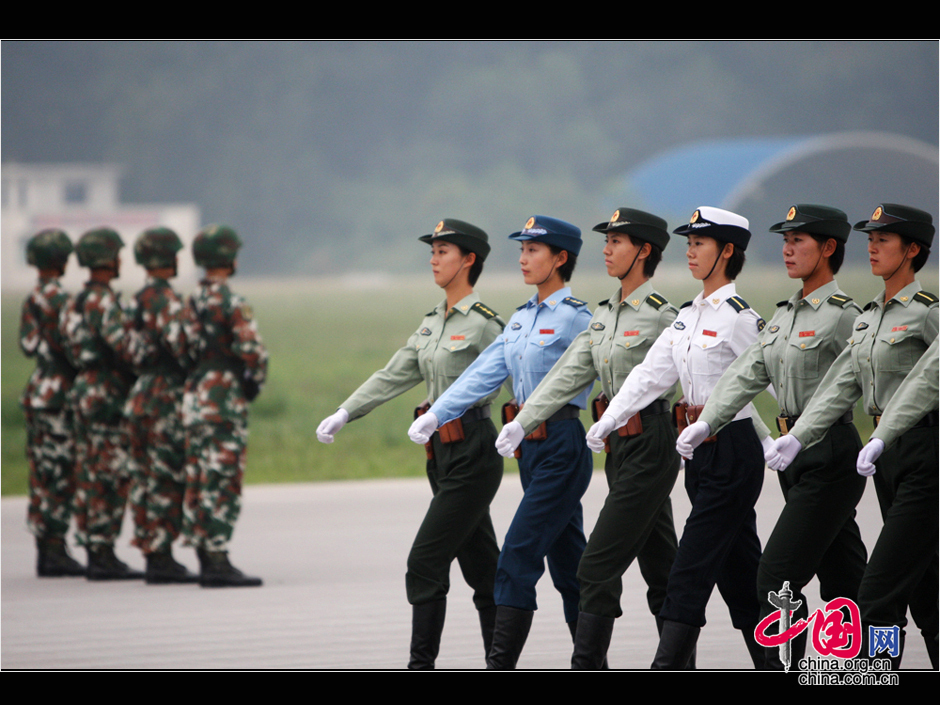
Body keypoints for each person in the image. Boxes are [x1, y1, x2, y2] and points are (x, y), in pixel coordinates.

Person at [677, 204, 868, 670]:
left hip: (830, 454)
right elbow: (744, 375)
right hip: (793, 458)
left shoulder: (846, 316)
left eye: (797, 240)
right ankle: (868, 669)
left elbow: (873, 379)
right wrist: (708, 421)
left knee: (776, 580)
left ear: (828, 248)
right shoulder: (783, 317)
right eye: (784, 240)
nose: (786, 249)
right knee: (849, 580)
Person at [491, 207, 682, 669]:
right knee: (662, 569)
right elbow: (566, 374)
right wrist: (522, 419)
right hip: (619, 448)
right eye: (606, 241)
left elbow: (709, 379)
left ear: (644, 251)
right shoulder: (602, 316)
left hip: (652, 440)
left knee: (594, 567)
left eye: (616, 241)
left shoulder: (664, 316)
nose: (606, 249)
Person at [586, 206, 773, 669]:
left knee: (686, 575)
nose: (689, 252)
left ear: (727, 251)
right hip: (699, 457)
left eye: (700, 244)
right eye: (688, 244)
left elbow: (780, 380)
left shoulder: (739, 318)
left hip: (733, 451)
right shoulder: (688, 316)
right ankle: (776, 665)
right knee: (741, 577)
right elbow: (651, 374)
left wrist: (794, 435)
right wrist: (610, 419)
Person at [317, 219, 504, 669]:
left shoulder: (484, 325)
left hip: (474, 450)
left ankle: (420, 665)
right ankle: (502, 661)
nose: (434, 259)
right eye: (432, 251)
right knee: (483, 569)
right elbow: (393, 374)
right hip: (439, 454)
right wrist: (346, 411)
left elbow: (510, 373)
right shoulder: (430, 324)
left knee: (424, 561)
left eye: (443, 251)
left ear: (469, 260)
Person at [407, 215, 592, 669]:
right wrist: (436, 413)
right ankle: (593, 663)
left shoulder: (578, 318)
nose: (524, 259)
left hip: (564, 442)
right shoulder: (522, 319)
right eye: (521, 250)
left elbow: (610, 368)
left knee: (516, 558)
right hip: (530, 450)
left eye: (533, 251)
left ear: (560, 258)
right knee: (571, 568)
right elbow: (483, 373)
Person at [766, 203, 938, 669]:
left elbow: (929, 380)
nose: (873, 246)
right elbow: (840, 383)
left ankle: (875, 674)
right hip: (887, 458)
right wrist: (799, 435)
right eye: (870, 237)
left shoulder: (928, 314)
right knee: (925, 593)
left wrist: (885, 433)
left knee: (879, 594)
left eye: (884, 239)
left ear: (913, 250)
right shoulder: (868, 319)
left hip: (926, 453)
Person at [181, 224, 268, 588]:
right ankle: (216, 557)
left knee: (200, 476)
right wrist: (252, 382)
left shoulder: (190, 302)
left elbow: (178, 348)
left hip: (195, 395)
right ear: (230, 258)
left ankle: (203, 550)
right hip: (223, 398)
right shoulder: (232, 302)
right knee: (223, 478)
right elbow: (252, 351)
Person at [60, 226, 142, 580]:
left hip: (83, 388)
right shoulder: (104, 302)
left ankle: (93, 546)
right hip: (107, 392)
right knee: (109, 474)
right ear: (108, 259)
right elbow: (127, 348)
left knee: (89, 470)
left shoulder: (75, 301)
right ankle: (101, 552)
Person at [124, 227, 198, 584]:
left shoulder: (136, 298)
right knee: (166, 476)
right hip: (165, 395)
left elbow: (128, 348)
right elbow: (180, 346)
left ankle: (150, 548)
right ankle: (161, 556)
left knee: (144, 477)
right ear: (171, 257)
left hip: (140, 391)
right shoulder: (166, 300)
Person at [20, 229, 84, 577]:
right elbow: (76, 347)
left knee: (42, 472)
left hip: (38, 388)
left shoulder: (32, 298)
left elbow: (27, 345)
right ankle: (56, 549)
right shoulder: (63, 299)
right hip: (60, 392)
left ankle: (45, 548)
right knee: (60, 471)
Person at [857, 335, 938, 476]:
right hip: (882, 438)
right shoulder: (865, 320)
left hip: (921, 436)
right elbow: (841, 380)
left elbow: (930, 378)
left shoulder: (925, 314)